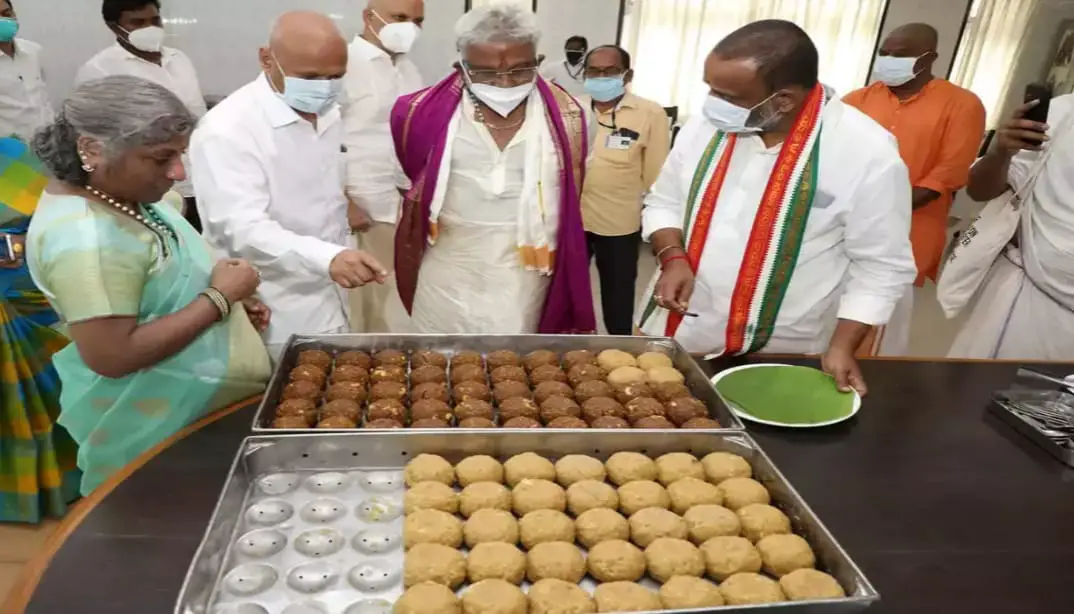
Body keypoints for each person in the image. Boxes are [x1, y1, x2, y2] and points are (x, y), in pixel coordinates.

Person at [636, 20, 916, 395]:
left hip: (782, 344)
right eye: (710, 90)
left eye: (728, 97)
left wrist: (843, 346)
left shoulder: (866, 152)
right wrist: (673, 257)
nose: (712, 105)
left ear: (782, 99)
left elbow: (881, 265)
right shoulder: (704, 126)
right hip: (681, 326)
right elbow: (664, 200)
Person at [25, 75, 273, 496]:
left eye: (180, 155)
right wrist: (218, 298)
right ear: (91, 149)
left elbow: (156, 278)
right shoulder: (84, 239)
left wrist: (228, 301)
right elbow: (114, 355)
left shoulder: (117, 195)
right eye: (161, 159)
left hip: (195, 415)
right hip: (147, 430)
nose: (178, 173)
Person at [191, 11, 387, 361]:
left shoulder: (328, 112)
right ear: (267, 59)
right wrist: (326, 257)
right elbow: (241, 227)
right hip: (272, 306)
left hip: (332, 293)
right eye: (310, 77)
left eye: (336, 77)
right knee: (287, 400)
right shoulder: (228, 130)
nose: (325, 88)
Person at [389, 3, 595, 334]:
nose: (503, 83)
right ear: (461, 66)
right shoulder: (415, 114)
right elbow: (409, 186)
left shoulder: (573, 118)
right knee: (438, 364)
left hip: (527, 270)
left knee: (514, 369)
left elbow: (571, 193)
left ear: (538, 62)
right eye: (485, 72)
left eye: (519, 69)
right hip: (448, 263)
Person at [844, 23, 985, 355]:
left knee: (882, 328)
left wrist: (873, 211)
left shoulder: (962, 105)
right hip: (846, 230)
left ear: (929, 58)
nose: (889, 60)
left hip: (910, 231)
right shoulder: (856, 100)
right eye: (884, 53)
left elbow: (945, 177)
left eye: (900, 54)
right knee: (837, 316)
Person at [947, 94, 1074, 359]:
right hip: (1030, 299)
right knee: (980, 393)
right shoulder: (1062, 114)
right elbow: (980, 190)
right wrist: (1001, 152)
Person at [76, 0, 207, 232]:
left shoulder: (179, 59)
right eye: (138, 23)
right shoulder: (100, 71)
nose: (150, 28)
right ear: (114, 26)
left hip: (201, 178)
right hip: (153, 187)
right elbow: (99, 140)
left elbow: (198, 116)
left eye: (155, 20)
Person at [0, 136, 79, 523]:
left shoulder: (13, 155)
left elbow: (58, 218)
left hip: (33, 298)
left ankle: (60, 483)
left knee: (54, 394)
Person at [342, 0, 424, 333]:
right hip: (361, 203)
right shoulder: (344, 63)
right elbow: (317, 138)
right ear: (368, 17)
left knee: (393, 293)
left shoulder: (409, 70)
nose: (410, 27)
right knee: (363, 300)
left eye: (418, 21)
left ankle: (391, 365)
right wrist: (343, 202)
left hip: (401, 202)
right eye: (400, 18)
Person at [580, 45, 669, 335]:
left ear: (626, 74)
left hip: (618, 223)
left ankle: (618, 347)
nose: (600, 77)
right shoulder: (573, 108)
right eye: (594, 71)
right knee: (569, 293)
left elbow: (656, 175)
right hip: (571, 221)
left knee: (617, 297)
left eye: (609, 71)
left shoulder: (649, 113)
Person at [0, 0, 53, 144]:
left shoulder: (33, 51)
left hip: (47, 143)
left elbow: (42, 96)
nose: (3, 21)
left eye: (6, 14)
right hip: (10, 151)